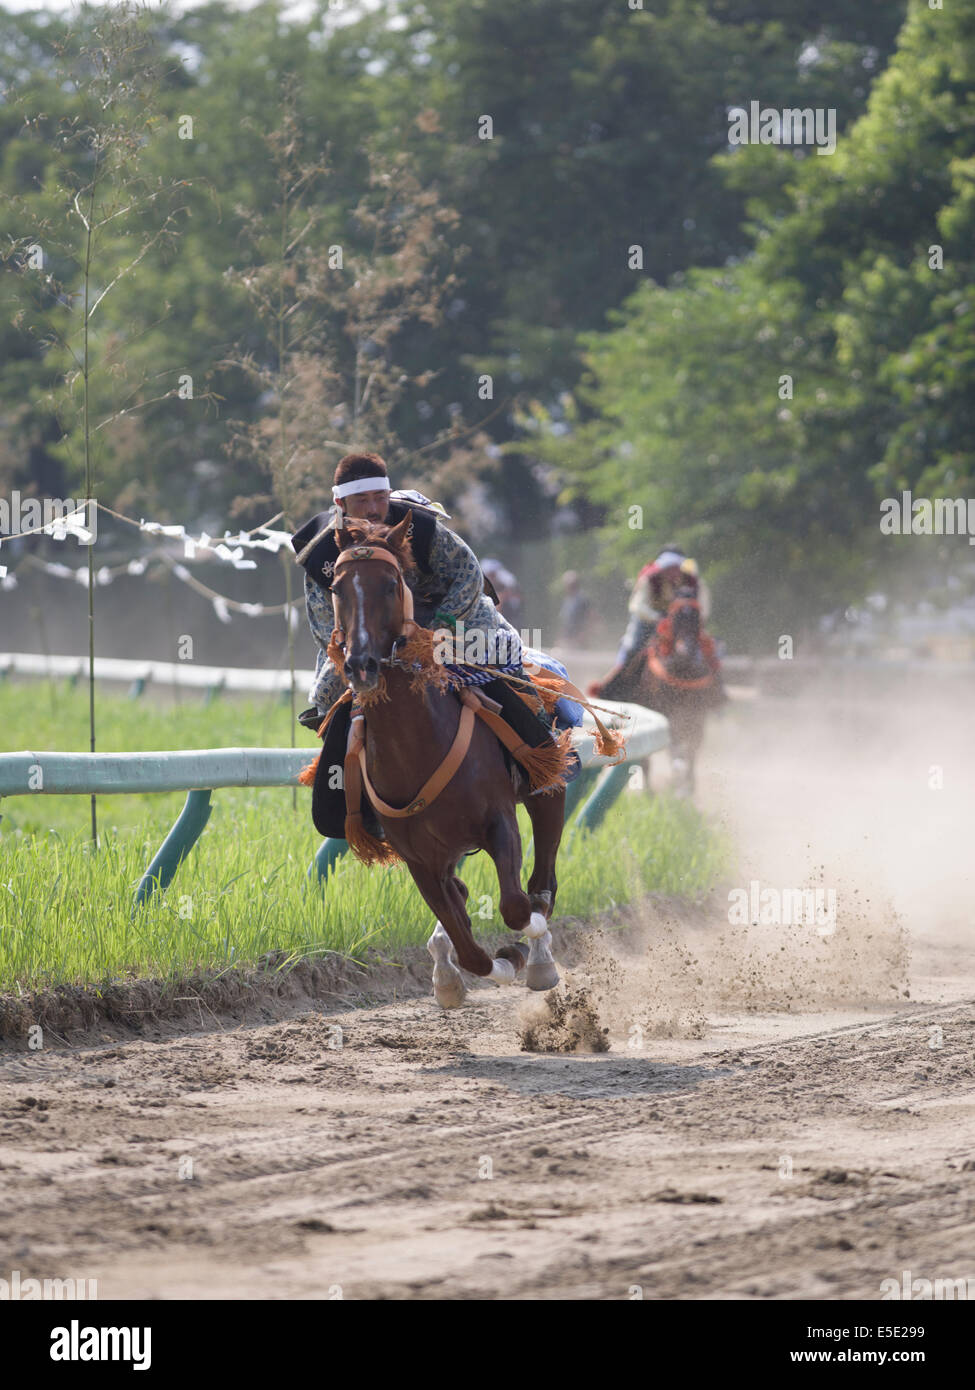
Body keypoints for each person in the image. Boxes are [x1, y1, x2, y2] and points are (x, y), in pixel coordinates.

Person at [290, 453, 570, 835]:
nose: (374, 509)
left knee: (501, 654)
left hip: (451, 620)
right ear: (340, 504)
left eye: (379, 497)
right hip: (370, 635)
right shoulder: (322, 552)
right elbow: (323, 621)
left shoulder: (419, 526)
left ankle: (540, 756)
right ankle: (351, 799)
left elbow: (469, 575)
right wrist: (354, 645)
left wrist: (438, 629)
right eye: (362, 501)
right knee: (325, 694)